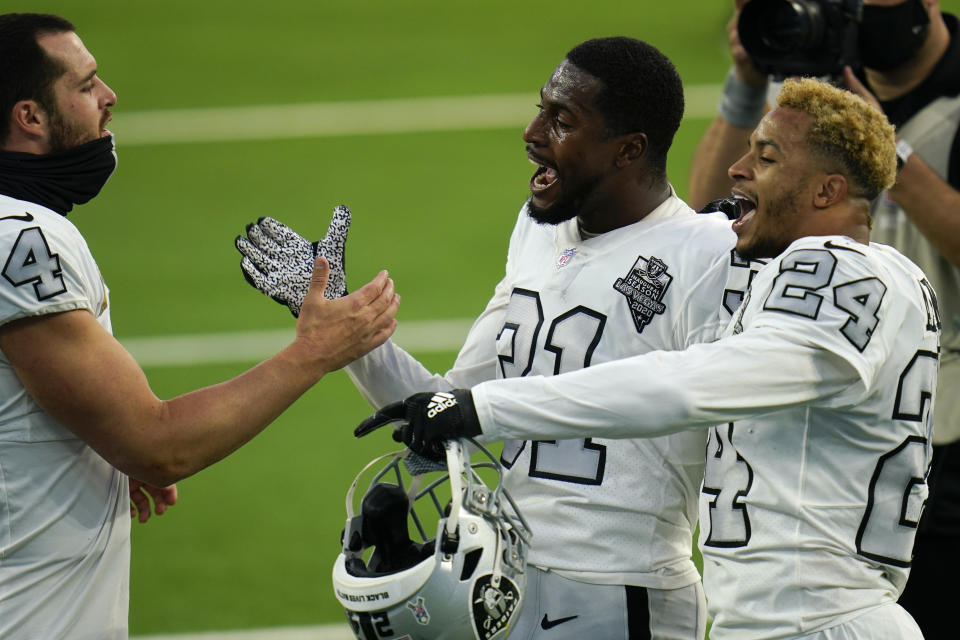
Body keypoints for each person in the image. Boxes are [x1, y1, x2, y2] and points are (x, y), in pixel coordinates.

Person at [365, 77, 939, 639]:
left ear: (826, 192)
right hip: (778, 618)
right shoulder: (836, 279)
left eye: (765, 159)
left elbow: (689, 386)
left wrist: (485, 407)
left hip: (818, 620)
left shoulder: (842, 269)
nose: (738, 170)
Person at [238, 37, 764, 640]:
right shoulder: (540, 232)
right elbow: (450, 405)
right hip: (507, 587)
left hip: (626, 593)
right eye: (542, 109)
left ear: (629, 150)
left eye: (562, 121)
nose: (532, 132)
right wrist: (344, 327)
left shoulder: (711, 251)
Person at [0, 13, 400, 640]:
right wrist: (315, 350)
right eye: (86, 85)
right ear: (30, 116)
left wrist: (91, 438)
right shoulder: (19, 241)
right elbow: (161, 446)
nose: (110, 98)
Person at [687, 2, 960, 635]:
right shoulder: (816, 95)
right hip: (846, 413)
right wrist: (748, 82)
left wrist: (878, 149)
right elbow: (714, 214)